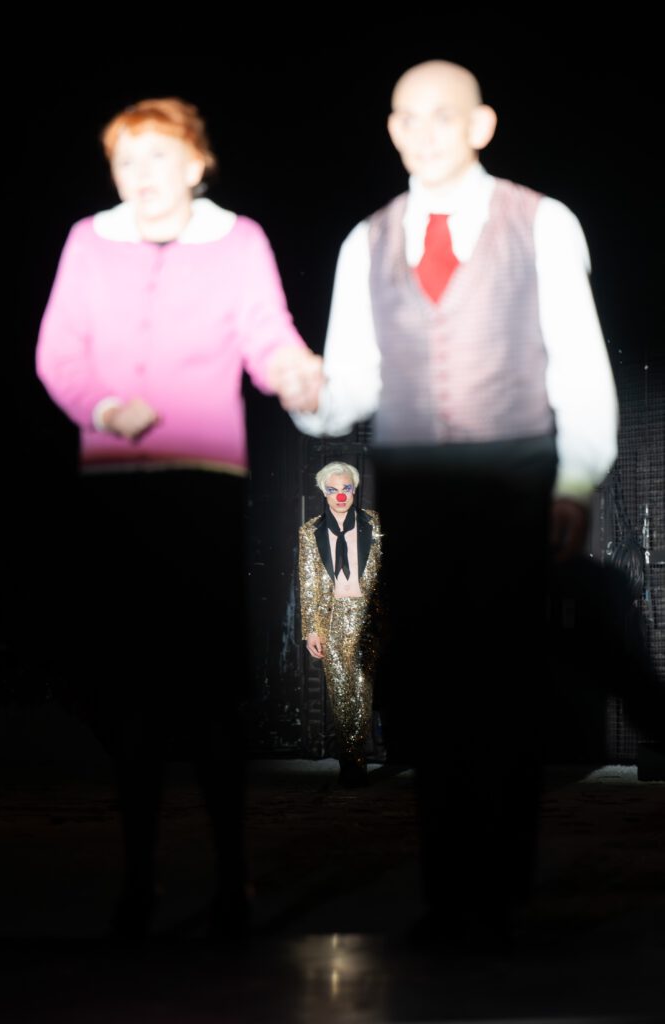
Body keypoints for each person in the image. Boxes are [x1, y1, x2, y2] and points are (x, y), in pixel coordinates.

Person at [292, 60, 620, 944]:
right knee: (430, 685)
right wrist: (306, 394)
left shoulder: (540, 220)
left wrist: (574, 479)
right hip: (414, 478)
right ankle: (448, 894)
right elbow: (349, 387)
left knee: (503, 679)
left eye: (444, 114)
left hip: (513, 468)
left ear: (480, 126)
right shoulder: (364, 241)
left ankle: (502, 890)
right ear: (391, 131)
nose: (425, 131)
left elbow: (577, 363)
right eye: (408, 116)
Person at [35, 96, 321, 941]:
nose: (141, 176)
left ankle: (234, 882)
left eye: (158, 157)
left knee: (206, 691)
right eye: (126, 161)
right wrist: (103, 407)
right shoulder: (89, 241)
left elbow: (266, 336)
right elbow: (57, 351)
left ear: (197, 164)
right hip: (117, 490)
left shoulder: (238, 241)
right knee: (130, 691)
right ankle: (137, 881)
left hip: (203, 485)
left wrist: (294, 372)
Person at [298, 462, 383, 787]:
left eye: (346, 488)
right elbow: (308, 583)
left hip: (367, 616)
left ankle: (355, 758)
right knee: (341, 692)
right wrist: (311, 629)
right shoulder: (310, 531)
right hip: (332, 617)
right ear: (323, 492)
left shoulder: (375, 523)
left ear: (355, 489)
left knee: (361, 689)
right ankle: (351, 760)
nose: (340, 496)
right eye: (332, 490)